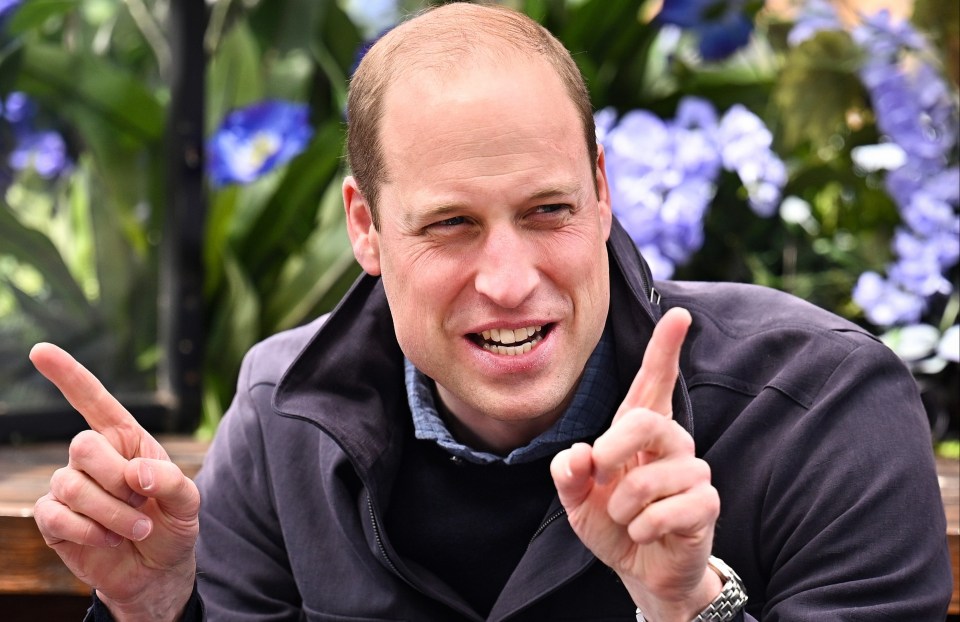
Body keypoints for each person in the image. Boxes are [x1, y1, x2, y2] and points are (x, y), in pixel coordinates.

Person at [30, 3, 952, 621]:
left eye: (547, 210)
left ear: (601, 191)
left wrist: (690, 606)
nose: (508, 281)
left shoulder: (824, 407)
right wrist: (156, 612)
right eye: (452, 225)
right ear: (367, 227)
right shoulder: (283, 416)